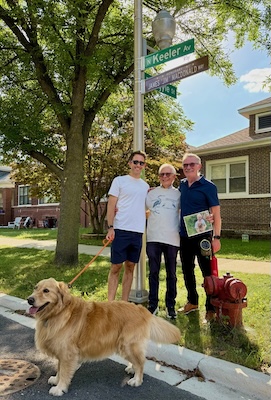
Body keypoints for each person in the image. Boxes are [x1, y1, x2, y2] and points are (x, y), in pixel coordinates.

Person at [178, 152, 221, 322]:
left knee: (207, 272)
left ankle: (210, 308)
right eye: (185, 165)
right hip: (184, 236)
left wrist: (216, 237)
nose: (188, 167)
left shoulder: (208, 186)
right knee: (187, 270)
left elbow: (216, 214)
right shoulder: (181, 185)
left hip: (203, 238)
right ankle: (192, 302)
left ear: (199, 166)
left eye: (191, 164)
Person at [106, 150, 149, 301]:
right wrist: (111, 227)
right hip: (120, 230)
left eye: (141, 163)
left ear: (144, 166)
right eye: (135, 162)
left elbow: (145, 207)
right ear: (130, 163)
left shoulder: (145, 186)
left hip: (137, 232)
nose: (138, 165)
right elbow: (111, 205)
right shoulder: (119, 181)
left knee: (130, 267)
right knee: (116, 267)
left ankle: (123, 303)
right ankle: (110, 304)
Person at [146, 164, 180, 319]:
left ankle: (170, 306)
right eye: (161, 174)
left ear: (174, 176)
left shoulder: (179, 195)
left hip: (172, 239)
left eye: (168, 174)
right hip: (153, 238)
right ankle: (152, 305)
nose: (164, 177)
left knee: (171, 274)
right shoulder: (151, 194)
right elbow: (137, 207)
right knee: (153, 272)